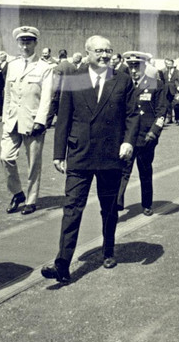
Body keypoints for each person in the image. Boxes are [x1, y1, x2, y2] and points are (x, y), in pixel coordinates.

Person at [41, 35, 138, 284]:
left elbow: (131, 116)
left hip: (110, 154)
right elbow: (64, 116)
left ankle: (108, 250)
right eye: (98, 51)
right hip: (79, 153)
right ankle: (62, 263)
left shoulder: (122, 80)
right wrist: (58, 153)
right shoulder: (75, 79)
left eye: (108, 51)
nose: (104, 55)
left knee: (108, 208)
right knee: (72, 207)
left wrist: (128, 141)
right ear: (87, 53)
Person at [0, 26, 56, 216]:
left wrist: (41, 121)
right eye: (22, 41)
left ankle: (31, 200)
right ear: (18, 43)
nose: (25, 44)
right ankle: (17, 193)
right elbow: (7, 93)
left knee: (33, 163)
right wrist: (5, 117)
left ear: (35, 43)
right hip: (12, 120)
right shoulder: (12, 65)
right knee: (6, 157)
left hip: (32, 121)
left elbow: (47, 96)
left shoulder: (45, 68)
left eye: (29, 41)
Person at [117, 52, 167, 215]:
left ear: (145, 67)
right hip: (128, 136)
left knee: (145, 171)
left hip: (146, 137)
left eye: (136, 66)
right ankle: (117, 203)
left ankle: (147, 203)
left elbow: (161, 112)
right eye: (130, 66)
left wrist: (154, 132)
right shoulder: (124, 84)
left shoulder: (156, 85)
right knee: (123, 170)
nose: (133, 70)